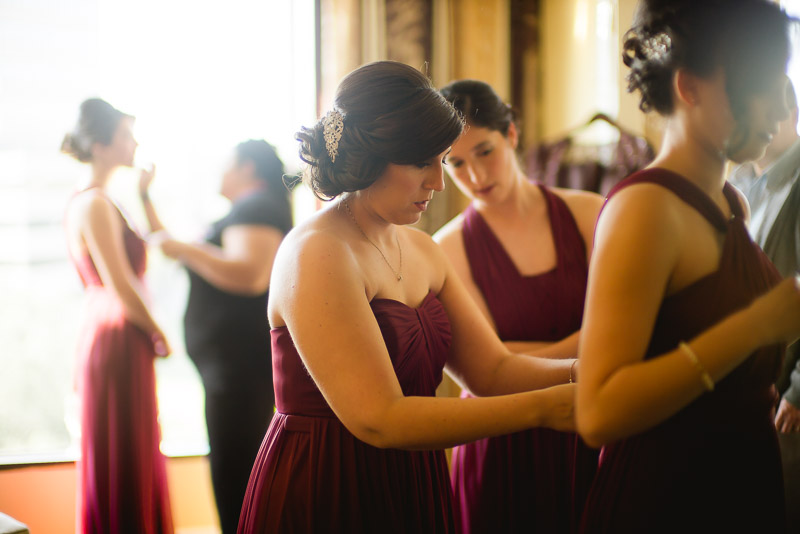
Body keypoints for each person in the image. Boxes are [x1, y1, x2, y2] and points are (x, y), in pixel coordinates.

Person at [237, 60, 578, 534]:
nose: (438, 184)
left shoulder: (421, 247)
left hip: (413, 476)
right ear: (372, 157)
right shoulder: (317, 252)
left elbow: (493, 370)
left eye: (441, 161)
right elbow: (381, 418)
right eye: (423, 163)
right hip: (330, 484)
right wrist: (548, 408)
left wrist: (580, 371)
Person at [575, 1, 800, 533]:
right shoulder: (645, 211)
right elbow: (598, 411)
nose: (777, 107)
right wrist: (755, 328)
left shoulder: (730, 201)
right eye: (759, 84)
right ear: (690, 87)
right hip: (669, 496)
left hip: (739, 481)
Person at [434, 79, 602, 534]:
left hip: (595, 424)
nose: (474, 176)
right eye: (456, 163)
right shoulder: (445, 249)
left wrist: (510, 356)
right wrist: (595, 342)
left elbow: (497, 362)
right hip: (502, 442)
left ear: (511, 134)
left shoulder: (591, 214)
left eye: (485, 151)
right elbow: (484, 375)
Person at [139, 141, 292, 534]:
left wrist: (186, 249)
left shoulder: (255, 208)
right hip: (231, 368)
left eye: (227, 165)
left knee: (235, 466)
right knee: (233, 462)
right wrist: (145, 198)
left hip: (238, 367)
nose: (219, 173)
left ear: (247, 169)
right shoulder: (245, 211)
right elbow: (174, 248)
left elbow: (248, 273)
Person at [62, 98, 173, 534]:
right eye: (127, 135)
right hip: (115, 332)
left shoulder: (99, 200)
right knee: (123, 447)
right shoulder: (93, 203)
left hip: (112, 328)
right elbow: (121, 283)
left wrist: (145, 193)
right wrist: (159, 331)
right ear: (103, 144)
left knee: (129, 445)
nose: (135, 143)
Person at [729, 78, 800, 532]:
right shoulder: (740, 179)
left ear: (788, 115)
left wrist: (799, 388)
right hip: (748, 387)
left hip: (788, 387)